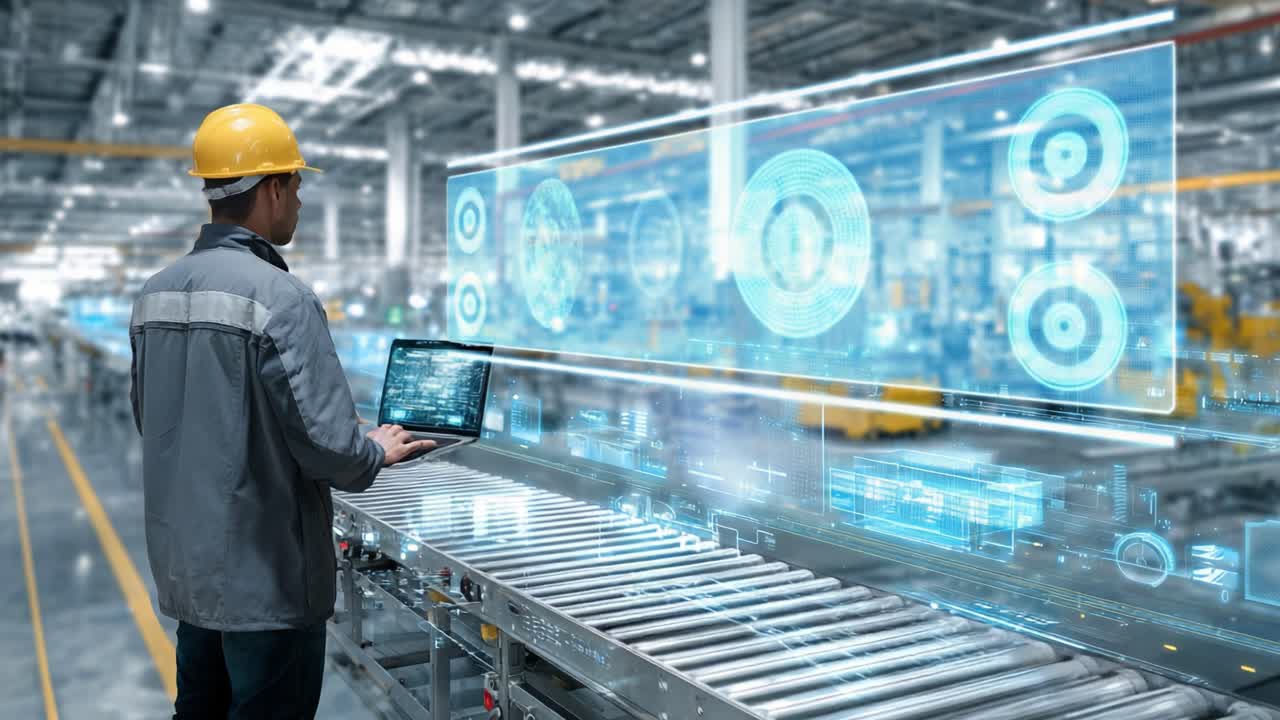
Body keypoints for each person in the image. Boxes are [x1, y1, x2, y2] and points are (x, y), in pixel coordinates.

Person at [129, 103, 434, 719]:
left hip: (191, 573)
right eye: (297, 186)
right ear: (272, 189)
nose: (299, 202)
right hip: (266, 583)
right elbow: (331, 453)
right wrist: (374, 447)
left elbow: (164, 419)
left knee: (199, 710)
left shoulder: (153, 294)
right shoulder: (281, 297)